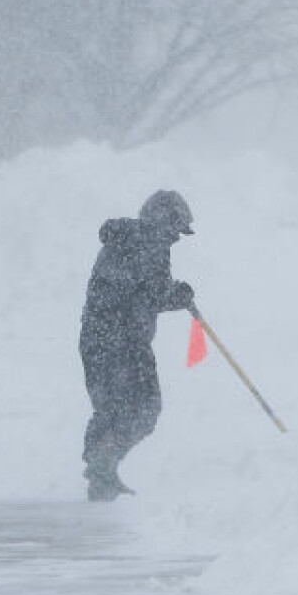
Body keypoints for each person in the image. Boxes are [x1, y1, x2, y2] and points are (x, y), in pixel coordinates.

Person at [78, 189, 197, 502]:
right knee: (146, 408)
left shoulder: (123, 241)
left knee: (111, 407)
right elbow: (153, 293)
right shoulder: (150, 244)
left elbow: (136, 289)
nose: (176, 239)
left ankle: (101, 477)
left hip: (95, 339)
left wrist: (170, 292)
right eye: (176, 230)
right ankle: (103, 461)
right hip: (126, 342)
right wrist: (180, 295)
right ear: (164, 221)